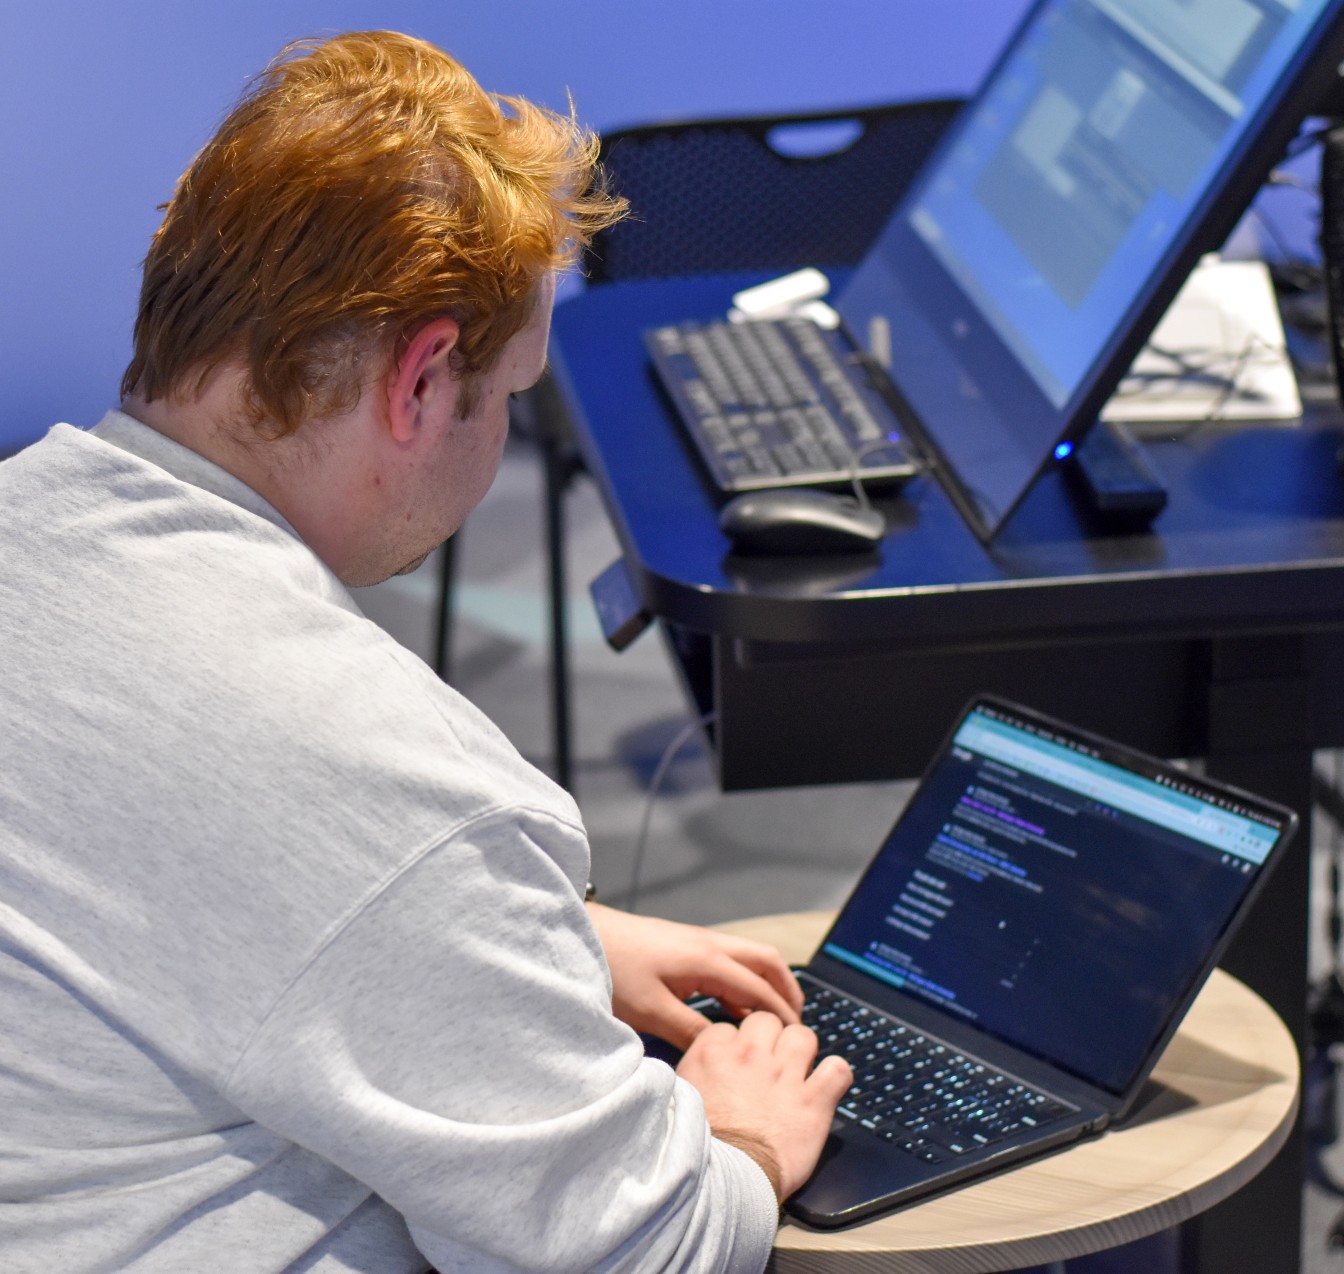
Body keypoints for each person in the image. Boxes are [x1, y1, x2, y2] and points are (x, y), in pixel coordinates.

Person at [0, 30, 850, 1273]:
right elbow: (640, 1251)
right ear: (423, 377)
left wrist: (525, 939)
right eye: (509, 394)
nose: (502, 431)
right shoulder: (387, 781)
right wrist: (741, 1137)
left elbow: (145, 859)